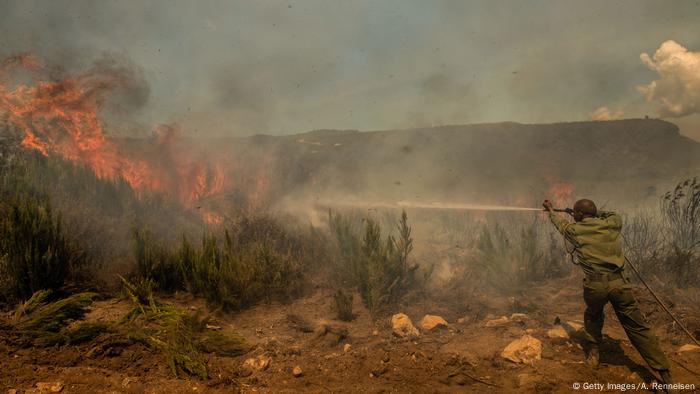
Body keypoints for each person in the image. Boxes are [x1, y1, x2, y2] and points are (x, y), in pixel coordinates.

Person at [543, 199, 677, 392]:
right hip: (619, 285)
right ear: (595, 213)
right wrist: (588, 214)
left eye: (577, 214)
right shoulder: (612, 224)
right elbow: (611, 214)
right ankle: (666, 375)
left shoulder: (574, 230)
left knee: (593, 316)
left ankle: (594, 353)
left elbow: (560, 224)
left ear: (578, 215)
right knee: (637, 328)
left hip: (595, 286)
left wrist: (551, 211)